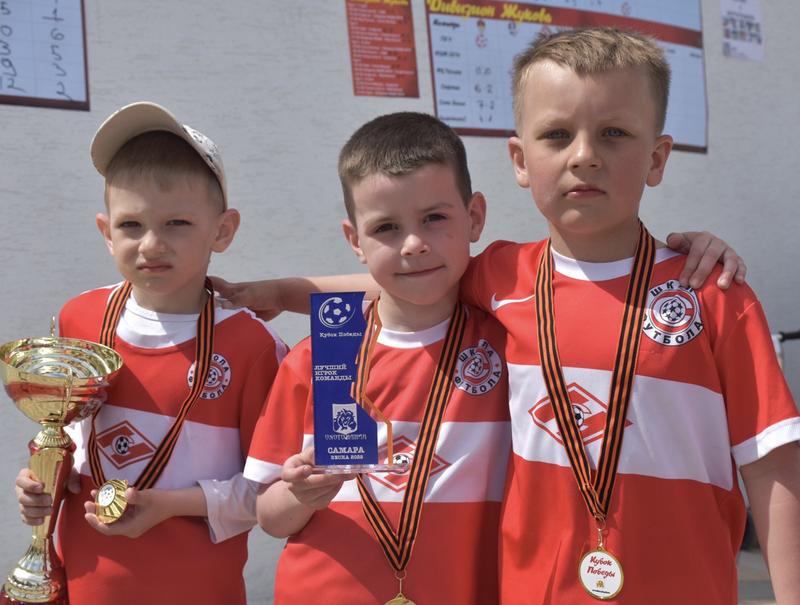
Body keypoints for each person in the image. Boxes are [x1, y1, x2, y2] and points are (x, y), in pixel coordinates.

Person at [467, 28, 799, 604]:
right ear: (520, 160)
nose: (584, 155)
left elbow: (770, 463)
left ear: (656, 158)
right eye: (556, 134)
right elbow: (403, 283)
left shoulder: (713, 292)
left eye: (614, 133)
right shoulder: (498, 278)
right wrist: (296, 291)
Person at [14, 102, 288, 604]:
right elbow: (66, 440)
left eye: (177, 222)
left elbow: (271, 493)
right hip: (83, 585)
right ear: (106, 232)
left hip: (196, 591)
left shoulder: (252, 346)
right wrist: (41, 481)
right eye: (131, 225)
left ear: (222, 230)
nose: (152, 244)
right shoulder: (79, 318)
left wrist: (171, 504)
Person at [243, 112, 512, 603]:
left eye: (435, 218)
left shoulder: (510, 338)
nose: (414, 244)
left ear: (474, 217)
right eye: (386, 227)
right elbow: (269, 517)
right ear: (356, 241)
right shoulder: (325, 351)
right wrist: (300, 494)